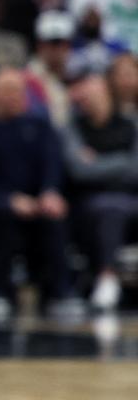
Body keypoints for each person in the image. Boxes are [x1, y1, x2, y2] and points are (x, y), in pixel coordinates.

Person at [0, 69, 77, 319]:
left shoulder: (39, 127)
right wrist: (8, 199)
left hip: (35, 202)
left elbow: (52, 164)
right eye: (7, 91)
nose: (14, 97)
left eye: (19, 91)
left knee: (53, 217)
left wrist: (49, 192)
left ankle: (60, 292)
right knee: (3, 216)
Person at [63, 72, 138, 311]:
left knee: (115, 206)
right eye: (83, 96)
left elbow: (136, 169)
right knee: (109, 208)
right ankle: (107, 276)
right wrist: (121, 162)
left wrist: (99, 162)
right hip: (86, 203)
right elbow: (78, 171)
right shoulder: (73, 127)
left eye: (92, 93)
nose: (86, 100)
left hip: (130, 199)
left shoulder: (129, 125)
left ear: (106, 93)